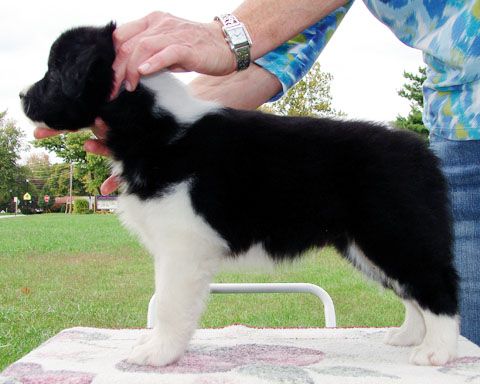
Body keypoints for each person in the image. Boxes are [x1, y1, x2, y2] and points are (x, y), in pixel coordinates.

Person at [35, 0, 480, 345]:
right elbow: (281, 51)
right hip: (459, 123)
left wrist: (225, 35)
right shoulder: (172, 134)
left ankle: (438, 323)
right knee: (388, 252)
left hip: (399, 153)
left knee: (404, 253)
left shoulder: (378, 156)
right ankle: (422, 318)